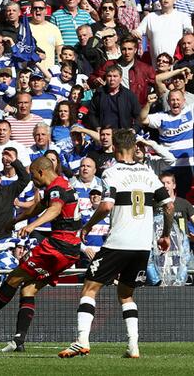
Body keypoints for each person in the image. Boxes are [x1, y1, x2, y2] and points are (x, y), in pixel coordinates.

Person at [59, 129, 174, 359]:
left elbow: (107, 205)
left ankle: (82, 340)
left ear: (115, 148)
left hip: (118, 242)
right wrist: (166, 235)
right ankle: (133, 346)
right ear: (134, 147)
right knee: (125, 294)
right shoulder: (149, 173)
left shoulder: (111, 172)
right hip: (142, 245)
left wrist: (88, 226)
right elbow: (169, 206)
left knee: (89, 288)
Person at [0, 156, 82, 353]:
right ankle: (19, 340)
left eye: (33, 175)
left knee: (13, 278)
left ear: (42, 172)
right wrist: (16, 220)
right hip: (71, 252)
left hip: (57, 247)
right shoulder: (60, 186)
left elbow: (54, 209)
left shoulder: (56, 189)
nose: (33, 180)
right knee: (28, 290)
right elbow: (39, 206)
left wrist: (33, 225)